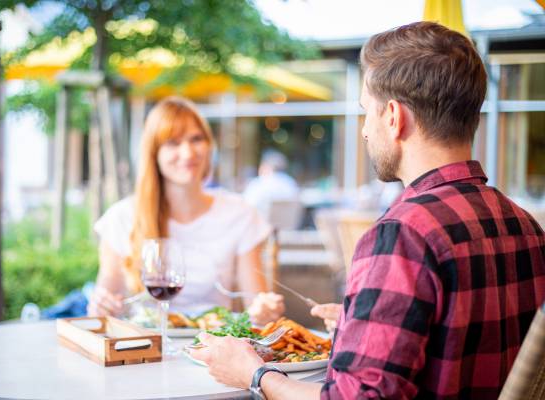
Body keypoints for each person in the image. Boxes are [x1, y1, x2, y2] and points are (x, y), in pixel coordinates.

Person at [190, 21, 545, 399]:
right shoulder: (524, 224)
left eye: (366, 112)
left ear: (393, 117)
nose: (363, 130)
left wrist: (255, 373)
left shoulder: (403, 234)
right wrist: (357, 324)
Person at [88, 96, 284, 325]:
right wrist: (102, 305)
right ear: (154, 153)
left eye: (196, 139)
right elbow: (102, 312)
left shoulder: (239, 214)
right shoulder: (122, 217)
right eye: (173, 142)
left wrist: (265, 311)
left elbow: (257, 307)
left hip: (213, 346)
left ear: (209, 146)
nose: (188, 153)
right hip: (143, 347)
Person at [243, 149, 300, 217]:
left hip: (261, 224)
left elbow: (247, 204)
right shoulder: (290, 182)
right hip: (289, 226)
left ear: (266, 166)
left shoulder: (259, 183)